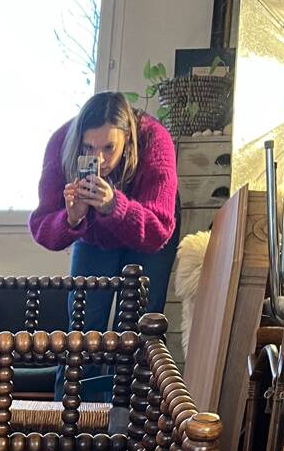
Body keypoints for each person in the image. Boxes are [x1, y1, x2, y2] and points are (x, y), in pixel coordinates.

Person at [29, 91, 180, 333]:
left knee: (140, 324)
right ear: (79, 140)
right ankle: (84, 372)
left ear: (128, 138)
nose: (99, 158)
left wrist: (114, 206)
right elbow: (42, 227)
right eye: (88, 148)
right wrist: (72, 217)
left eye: (109, 147)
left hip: (145, 225)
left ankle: (127, 372)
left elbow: (158, 231)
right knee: (83, 323)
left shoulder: (155, 140)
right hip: (93, 231)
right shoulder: (61, 143)